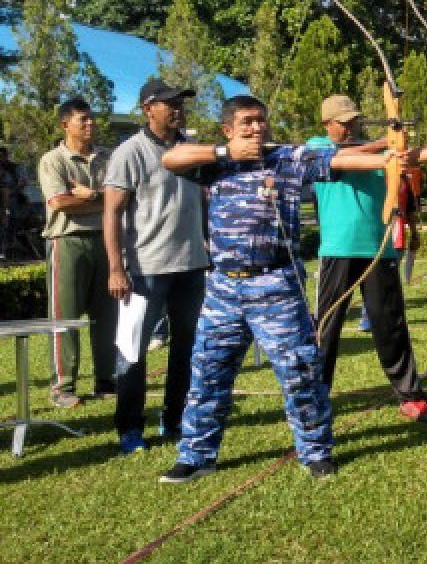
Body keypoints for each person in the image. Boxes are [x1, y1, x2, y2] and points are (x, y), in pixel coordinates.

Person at [157, 95, 396, 482]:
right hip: (223, 287)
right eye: (248, 122)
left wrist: (398, 155)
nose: (257, 128)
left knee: (300, 370)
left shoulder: (287, 159)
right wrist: (224, 151)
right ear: (228, 129)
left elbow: (344, 159)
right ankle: (197, 456)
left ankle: (315, 452)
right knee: (207, 374)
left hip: (276, 283)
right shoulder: (214, 163)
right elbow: (170, 159)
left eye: (261, 120)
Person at [307, 94, 427, 422]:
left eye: (354, 121)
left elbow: (409, 157)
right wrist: (384, 145)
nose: (351, 128)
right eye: (343, 123)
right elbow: (344, 158)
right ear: (327, 124)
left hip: (379, 249)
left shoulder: (378, 150)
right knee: (326, 326)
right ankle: (317, 396)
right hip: (338, 251)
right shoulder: (317, 146)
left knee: (390, 324)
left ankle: (410, 395)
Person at [103, 79, 208, 454]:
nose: (178, 108)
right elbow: (111, 213)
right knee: (133, 352)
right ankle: (129, 427)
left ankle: (175, 418)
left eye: (180, 103)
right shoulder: (129, 152)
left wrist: (208, 246)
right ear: (148, 108)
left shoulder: (191, 151)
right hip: (145, 270)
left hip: (191, 267)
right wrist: (116, 268)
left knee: (187, 348)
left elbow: (204, 203)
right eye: (169, 103)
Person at [38, 99, 118, 407]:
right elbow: (59, 202)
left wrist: (92, 196)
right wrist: (103, 201)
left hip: (105, 239)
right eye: (83, 120)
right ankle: (63, 385)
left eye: (92, 119)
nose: (90, 124)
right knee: (65, 316)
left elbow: (122, 195)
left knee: (107, 315)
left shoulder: (108, 158)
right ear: (64, 125)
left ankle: (106, 380)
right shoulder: (53, 160)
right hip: (67, 241)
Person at [0, 145, 23, 260]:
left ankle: (8, 250)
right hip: (3, 200)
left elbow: (22, 182)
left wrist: (13, 191)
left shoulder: (13, 168)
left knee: (10, 224)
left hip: (13, 200)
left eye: (3, 156)